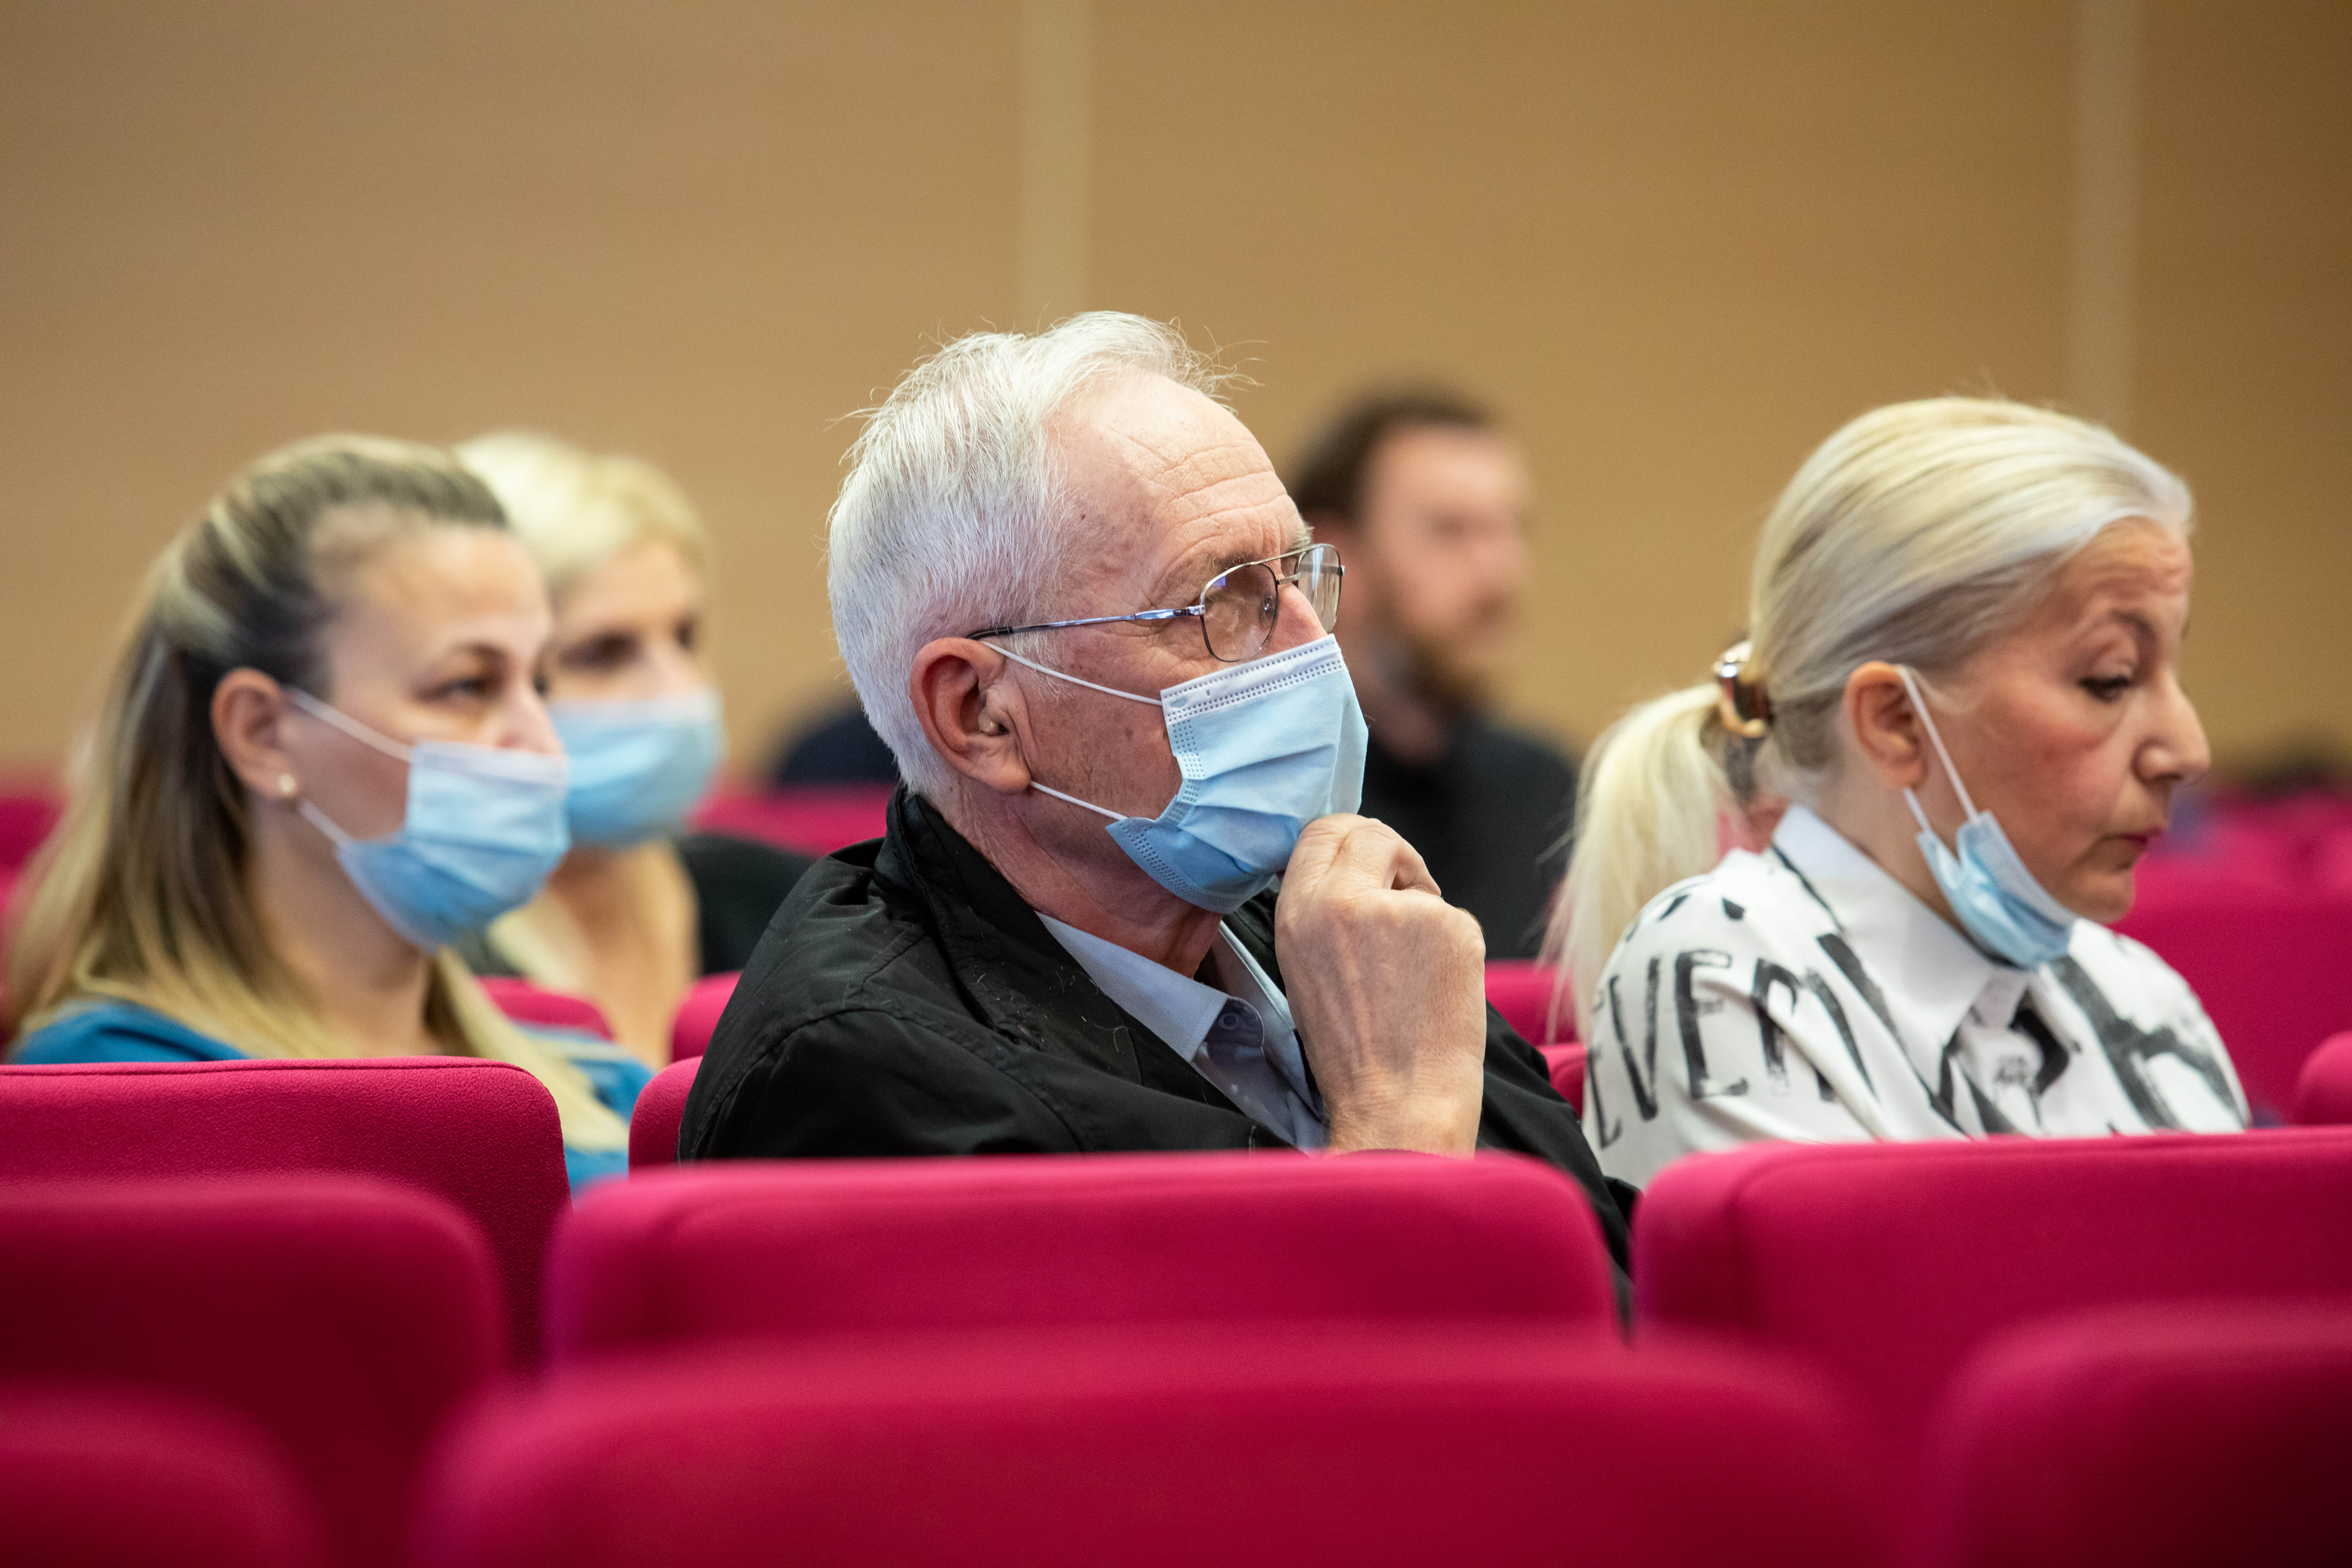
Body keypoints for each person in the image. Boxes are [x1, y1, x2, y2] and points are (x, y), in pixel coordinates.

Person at [679, 313, 1629, 1267]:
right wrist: (1397, 1131)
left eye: (1298, 581)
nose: (1313, 648)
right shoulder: (859, 1077)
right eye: (1221, 604)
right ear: (981, 714)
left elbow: (1615, 1299)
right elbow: (1268, 1412)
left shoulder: (1312, 926)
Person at [1548, 398, 2249, 1188]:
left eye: (2171, 673)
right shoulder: (1725, 966)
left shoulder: (2142, 992)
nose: (2188, 752)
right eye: (2110, 679)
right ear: (1895, 724)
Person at [4, 436, 646, 1190]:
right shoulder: (105, 1098)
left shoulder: (604, 1088)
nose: (543, 745)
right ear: (263, 734)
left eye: (540, 683)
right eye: (468, 685)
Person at [453, 434, 812, 1062]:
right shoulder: (417, 962)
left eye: (684, 636)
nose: (680, 689)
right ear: (476, 684)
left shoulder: (790, 900)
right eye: (605, 653)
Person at [1286, 391, 1575, 958]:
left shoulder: (1544, 789)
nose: (1500, 573)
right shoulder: (1272, 796)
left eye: (1510, 530)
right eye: (1451, 531)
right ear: (1335, 554)